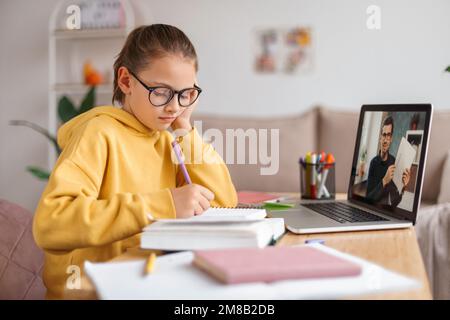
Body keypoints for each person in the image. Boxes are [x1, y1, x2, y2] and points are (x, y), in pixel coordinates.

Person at [33, 24, 238, 299]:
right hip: (91, 293)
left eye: (185, 94)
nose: (174, 106)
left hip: (144, 284)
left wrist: (185, 129)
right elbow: (52, 224)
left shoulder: (169, 140)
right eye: (162, 91)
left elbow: (224, 201)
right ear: (126, 81)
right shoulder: (98, 133)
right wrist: (163, 205)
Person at [366, 116, 410, 207]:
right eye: (384, 135)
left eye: (388, 135)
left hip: (386, 211)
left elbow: (395, 202)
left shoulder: (394, 162)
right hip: (372, 209)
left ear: (391, 139)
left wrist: (403, 188)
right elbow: (368, 199)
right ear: (380, 138)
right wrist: (384, 181)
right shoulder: (373, 163)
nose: (385, 140)